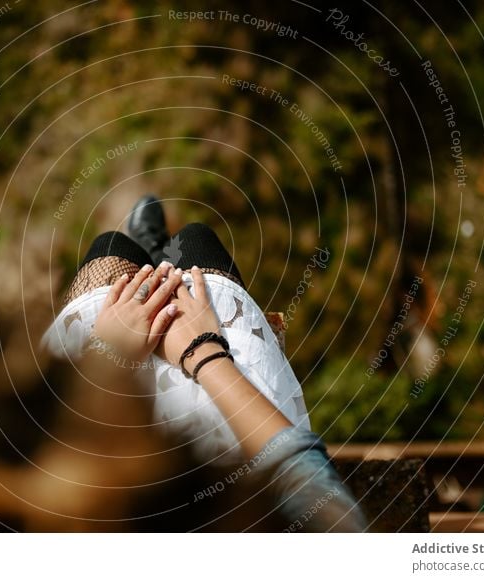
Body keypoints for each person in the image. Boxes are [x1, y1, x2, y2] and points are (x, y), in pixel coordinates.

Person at [42, 195, 367, 532]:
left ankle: (153, 267)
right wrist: (206, 350)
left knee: (110, 248)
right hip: (229, 457)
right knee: (196, 240)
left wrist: (107, 359)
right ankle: (158, 265)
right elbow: (308, 486)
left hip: (102, 459)